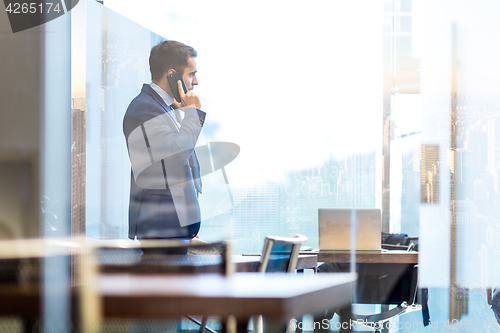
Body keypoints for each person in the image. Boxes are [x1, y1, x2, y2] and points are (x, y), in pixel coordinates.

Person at [123, 40, 206, 254]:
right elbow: (176, 155)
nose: (195, 81)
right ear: (172, 74)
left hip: (172, 228)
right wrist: (192, 113)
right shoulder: (145, 108)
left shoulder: (161, 107)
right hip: (163, 229)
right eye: (191, 74)